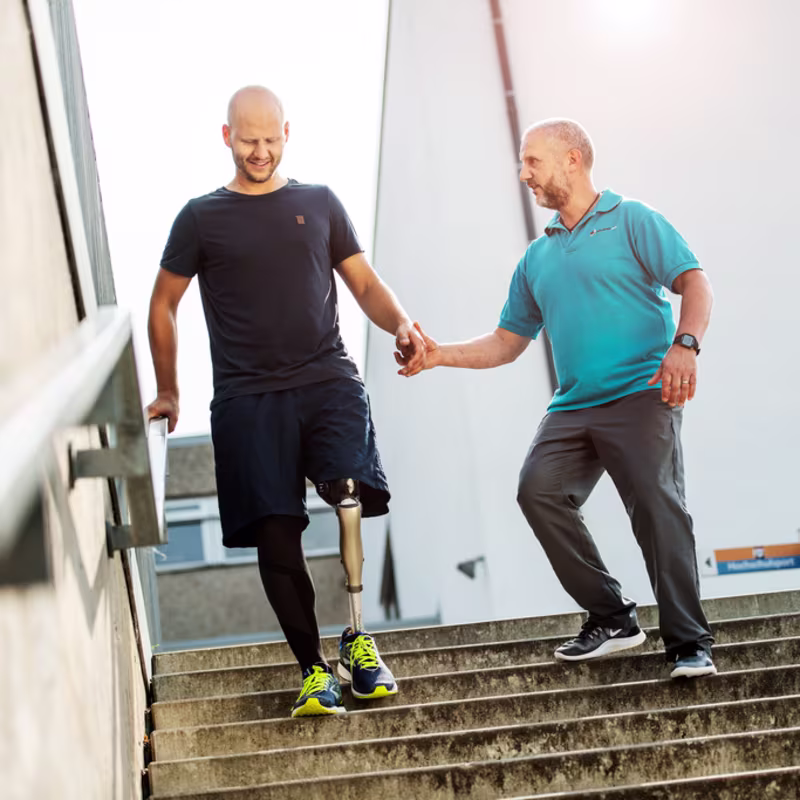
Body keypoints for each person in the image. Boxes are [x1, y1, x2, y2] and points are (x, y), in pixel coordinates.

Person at [146, 86, 425, 716]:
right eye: (248, 140)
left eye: (271, 139)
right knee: (277, 536)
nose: (261, 151)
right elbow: (163, 304)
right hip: (247, 398)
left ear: (287, 133)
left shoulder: (319, 202)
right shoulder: (200, 217)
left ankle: (357, 638)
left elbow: (364, 282)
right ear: (226, 137)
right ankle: (312, 669)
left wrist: (402, 324)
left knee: (348, 494)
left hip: (327, 379)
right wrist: (168, 388)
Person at [404, 119, 716, 679]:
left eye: (533, 161)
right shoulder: (537, 259)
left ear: (572, 159)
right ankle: (612, 615)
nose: (523, 173)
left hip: (643, 393)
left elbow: (695, 282)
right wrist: (437, 354)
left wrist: (686, 345)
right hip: (573, 406)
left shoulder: (632, 220)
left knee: (655, 501)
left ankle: (690, 643)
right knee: (537, 490)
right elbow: (506, 342)